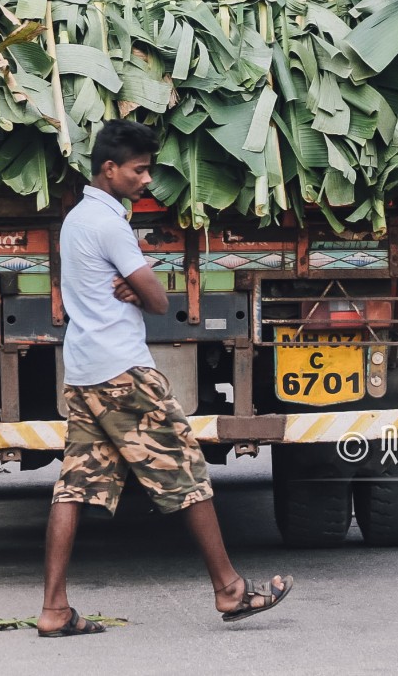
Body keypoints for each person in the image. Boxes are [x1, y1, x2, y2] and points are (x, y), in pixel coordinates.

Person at [38, 119, 294, 636]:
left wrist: (136, 288)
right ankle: (230, 591)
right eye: (139, 170)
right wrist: (143, 290)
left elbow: (130, 288)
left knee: (73, 488)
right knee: (188, 474)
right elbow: (158, 299)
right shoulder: (110, 223)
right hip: (124, 376)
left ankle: (54, 609)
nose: (147, 179)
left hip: (85, 373)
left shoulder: (76, 218)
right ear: (109, 170)